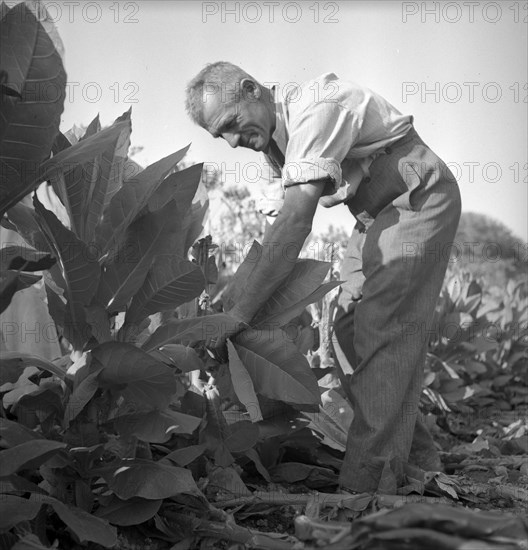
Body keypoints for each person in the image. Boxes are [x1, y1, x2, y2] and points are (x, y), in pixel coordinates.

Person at [185, 61, 461, 493]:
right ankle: (417, 461)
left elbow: (296, 223)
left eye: (233, 123)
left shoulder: (314, 110)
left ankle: (366, 490)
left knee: (383, 329)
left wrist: (240, 314)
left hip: (416, 195)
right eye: (223, 136)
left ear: (251, 89)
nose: (235, 142)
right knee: (346, 333)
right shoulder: (277, 143)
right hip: (374, 213)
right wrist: (226, 303)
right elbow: (273, 236)